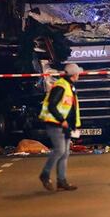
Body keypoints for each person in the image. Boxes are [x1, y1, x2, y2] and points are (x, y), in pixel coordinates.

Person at [38, 63, 82, 191]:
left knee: (65, 153)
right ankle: (45, 174)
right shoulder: (61, 86)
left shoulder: (69, 86)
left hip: (65, 125)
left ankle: (61, 180)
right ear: (74, 74)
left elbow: (71, 108)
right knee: (60, 150)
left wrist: (73, 125)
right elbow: (52, 105)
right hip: (56, 123)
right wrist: (61, 120)